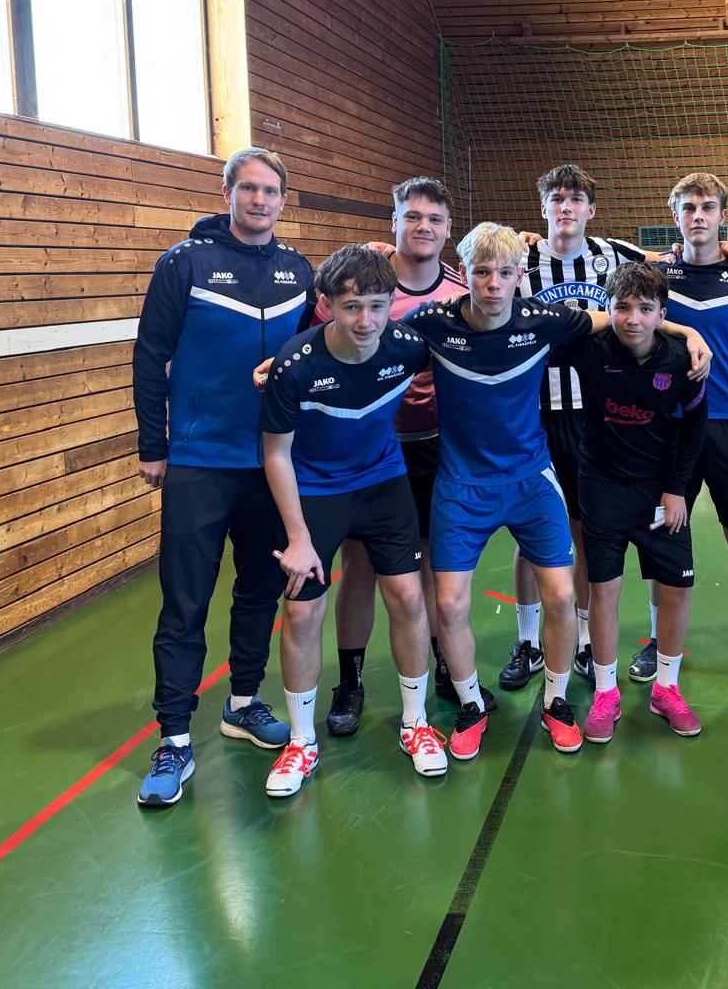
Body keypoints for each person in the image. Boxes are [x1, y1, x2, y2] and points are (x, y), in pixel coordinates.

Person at [402, 223, 712, 760]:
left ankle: (557, 701)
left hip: (531, 481)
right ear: (463, 274)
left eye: (504, 273)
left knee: (565, 596)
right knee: (448, 604)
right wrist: (295, 361)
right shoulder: (433, 323)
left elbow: (621, 317)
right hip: (461, 487)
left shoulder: (543, 320)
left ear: (519, 275)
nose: (493, 284)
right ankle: (472, 706)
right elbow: (366, 337)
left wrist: (686, 331)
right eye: (481, 272)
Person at [504, 164, 728, 694]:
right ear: (542, 208)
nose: (566, 208)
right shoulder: (519, 259)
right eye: (556, 199)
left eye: (575, 199)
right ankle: (526, 641)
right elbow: (472, 275)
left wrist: (724, 259)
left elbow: (673, 263)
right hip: (535, 413)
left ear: (591, 209)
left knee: (585, 533)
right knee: (532, 531)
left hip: (593, 413)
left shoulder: (612, 254)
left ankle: (585, 641)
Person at [132, 147, 315, 808]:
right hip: (198, 462)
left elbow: (318, 350)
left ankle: (243, 702)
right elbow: (150, 355)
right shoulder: (184, 263)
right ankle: (175, 739)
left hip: (271, 466)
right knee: (185, 603)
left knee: (259, 594)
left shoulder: (299, 270)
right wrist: (154, 445)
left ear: (283, 201)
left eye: (271, 191)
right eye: (249, 189)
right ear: (228, 193)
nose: (260, 200)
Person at [305, 177, 493, 741]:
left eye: (434, 219)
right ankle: (350, 681)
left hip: (437, 445)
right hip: (370, 449)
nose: (423, 227)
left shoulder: (459, 291)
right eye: (412, 217)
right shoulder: (363, 279)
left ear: (449, 229)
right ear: (394, 222)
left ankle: (445, 663)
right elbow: (316, 349)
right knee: (360, 567)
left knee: (434, 564)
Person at [257, 246, 448, 794]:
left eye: (377, 306)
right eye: (352, 307)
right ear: (327, 306)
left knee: (409, 597)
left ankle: (416, 724)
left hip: (384, 484)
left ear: (392, 303)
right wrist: (297, 538)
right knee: (301, 613)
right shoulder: (295, 365)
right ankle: (301, 742)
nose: (366, 321)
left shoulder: (408, 345)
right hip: (315, 492)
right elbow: (276, 454)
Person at [630, 173, 728, 693]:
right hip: (667, 429)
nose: (698, 216)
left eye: (708, 207)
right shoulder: (654, 277)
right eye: (689, 207)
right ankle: (658, 640)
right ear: (674, 216)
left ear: (723, 216)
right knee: (663, 540)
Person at [552, 263, 710, 742]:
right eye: (622, 307)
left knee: (677, 588)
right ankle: (606, 692)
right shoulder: (589, 349)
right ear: (608, 309)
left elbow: (695, 428)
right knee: (603, 590)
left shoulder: (683, 360)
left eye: (645, 309)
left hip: (660, 493)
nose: (633, 319)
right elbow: (540, 324)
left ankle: (666, 689)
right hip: (601, 487)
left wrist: (677, 489)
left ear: (662, 314)